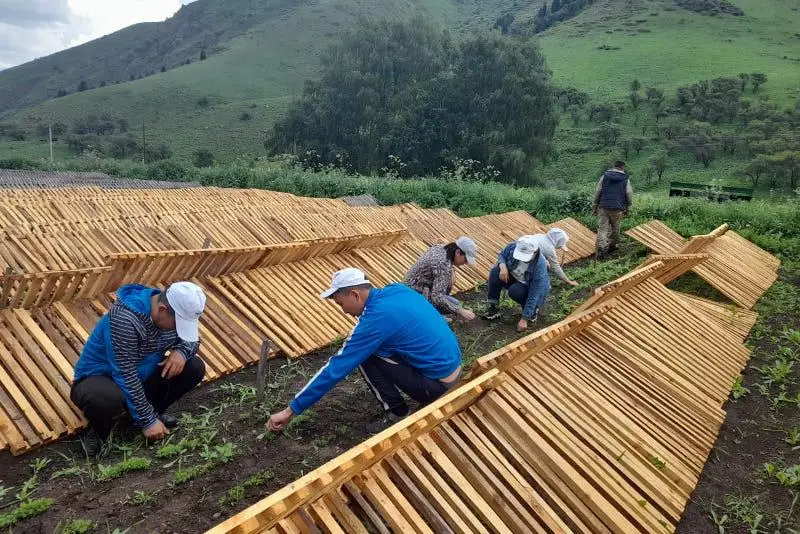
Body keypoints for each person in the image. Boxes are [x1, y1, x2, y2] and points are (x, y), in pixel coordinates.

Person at [267, 268, 462, 434]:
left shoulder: (375, 320)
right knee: (382, 347)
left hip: (436, 386)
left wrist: (290, 411)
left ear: (355, 294)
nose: (344, 311)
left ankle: (397, 413)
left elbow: (336, 367)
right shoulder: (396, 290)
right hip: (452, 369)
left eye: (341, 304)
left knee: (365, 355)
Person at [71, 281, 207, 456]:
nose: (179, 330)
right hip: (100, 379)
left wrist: (181, 352)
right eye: (178, 325)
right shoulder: (125, 319)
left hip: (140, 376)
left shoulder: (169, 312)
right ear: (162, 310)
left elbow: (192, 340)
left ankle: (143, 415)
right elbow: (125, 373)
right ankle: (99, 431)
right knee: (104, 399)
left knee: (193, 366)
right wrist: (147, 421)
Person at [482, 235, 550, 332]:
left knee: (515, 291)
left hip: (527, 287)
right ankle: (494, 308)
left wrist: (524, 319)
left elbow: (535, 294)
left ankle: (532, 313)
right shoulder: (514, 246)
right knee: (495, 272)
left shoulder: (540, 266)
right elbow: (502, 254)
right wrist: (502, 266)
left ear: (534, 252)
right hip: (513, 277)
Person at [404, 236, 478, 321]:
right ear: (458, 252)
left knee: (451, 295)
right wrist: (461, 311)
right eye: (465, 260)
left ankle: (433, 314)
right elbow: (437, 297)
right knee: (454, 304)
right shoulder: (443, 264)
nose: (465, 263)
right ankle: (431, 317)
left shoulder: (441, 248)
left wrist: (452, 271)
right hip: (414, 294)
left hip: (411, 285)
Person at [593, 160, 632, 259]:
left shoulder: (604, 176)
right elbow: (628, 194)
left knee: (603, 228)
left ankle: (601, 248)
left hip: (604, 206)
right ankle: (612, 245)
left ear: (614, 167)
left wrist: (595, 204)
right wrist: (628, 206)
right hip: (618, 207)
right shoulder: (625, 179)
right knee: (615, 227)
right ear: (622, 167)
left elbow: (598, 191)